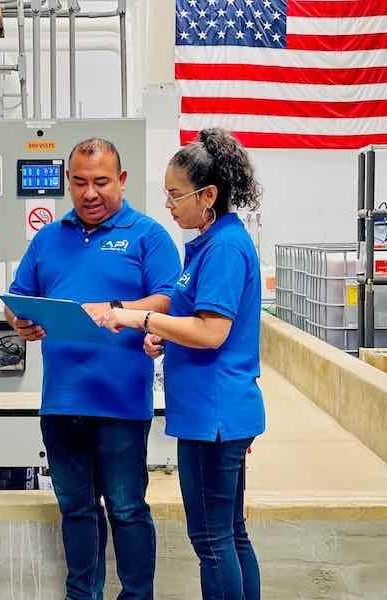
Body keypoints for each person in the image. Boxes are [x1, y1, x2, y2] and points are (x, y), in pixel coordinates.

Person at [5, 138, 182, 600]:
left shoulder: (148, 236)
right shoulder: (48, 238)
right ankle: (83, 595)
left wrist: (116, 308)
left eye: (101, 182)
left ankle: (137, 595)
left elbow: (168, 299)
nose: (89, 193)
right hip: (62, 402)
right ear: (69, 183)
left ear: (121, 181)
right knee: (77, 509)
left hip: (121, 404)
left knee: (126, 507)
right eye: (80, 183)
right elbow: (19, 298)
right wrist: (20, 321)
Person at [97, 128, 266, 600]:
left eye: (176, 195)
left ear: (208, 195)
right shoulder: (212, 243)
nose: (168, 206)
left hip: (214, 415)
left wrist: (141, 317)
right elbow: (198, 323)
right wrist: (167, 338)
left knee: (213, 540)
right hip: (213, 411)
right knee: (229, 533)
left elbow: (213, 332)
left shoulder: (225, 248)